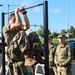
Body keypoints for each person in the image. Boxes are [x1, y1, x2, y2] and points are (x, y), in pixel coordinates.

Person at [3, 7, 30, 75]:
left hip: (20, 56)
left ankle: (34, 54)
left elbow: (27, 27)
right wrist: (16, 13)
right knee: (22, 33)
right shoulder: (6, 28)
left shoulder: (18, 29)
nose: (15, 20)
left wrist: (24, 14)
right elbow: (18, 24)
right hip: (13, 54)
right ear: (9, 20)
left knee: (33, 35)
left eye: (16, 19)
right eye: (14, 19)